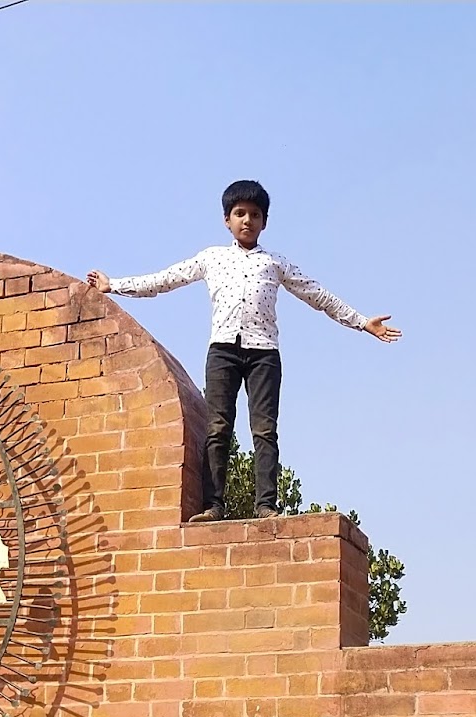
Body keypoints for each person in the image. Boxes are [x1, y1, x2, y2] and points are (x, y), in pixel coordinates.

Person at [86, 180, 400, 521]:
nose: (247, 220)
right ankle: (213, 505)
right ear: (227, 220)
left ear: (264, 221)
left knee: (264, 429)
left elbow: (318, 295)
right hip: (222, 350)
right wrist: (114, 285)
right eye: (239, 214)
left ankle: (266, 505)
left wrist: (362, 322)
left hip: (264, 353)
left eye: (254, 214)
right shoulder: (212, 258)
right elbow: (166, 280)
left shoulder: (275, 263)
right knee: (218, 426)